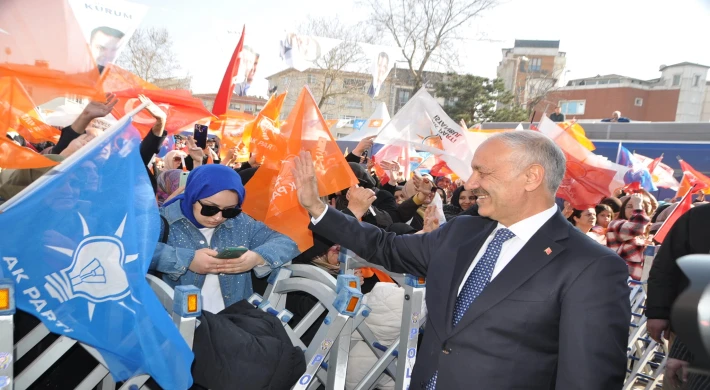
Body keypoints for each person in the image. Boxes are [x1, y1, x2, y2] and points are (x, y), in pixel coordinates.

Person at [293, 131, 630, 389]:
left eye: (483, 173)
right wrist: (318, 209)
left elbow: (588, 379)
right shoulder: (464, 231)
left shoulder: (591, 267)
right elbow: (387, 247)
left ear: (532, 177)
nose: (471, 183)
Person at [150, 164, 299, 313]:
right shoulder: (161, 221)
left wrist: (257, 257)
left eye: (230, 210)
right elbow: (135, 252)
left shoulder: (241, 222)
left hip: (232, 322)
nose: (218, 217)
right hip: (178, 324)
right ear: (192, 196)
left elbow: (288, 241)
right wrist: (187, 260)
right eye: (210, 208)